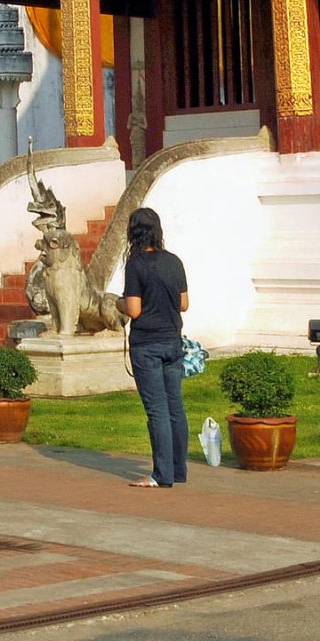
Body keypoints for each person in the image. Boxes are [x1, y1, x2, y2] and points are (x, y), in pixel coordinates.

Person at [119, 206, 190, 488]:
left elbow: (134, 310)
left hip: (147, 343)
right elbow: (184, 304)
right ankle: (177, 469)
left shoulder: (136, 264)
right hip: (173, 341)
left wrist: (118, 303)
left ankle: (161, 475)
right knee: (175, 406)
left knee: (157, 409)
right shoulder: (174, 261)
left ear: (133, 233)